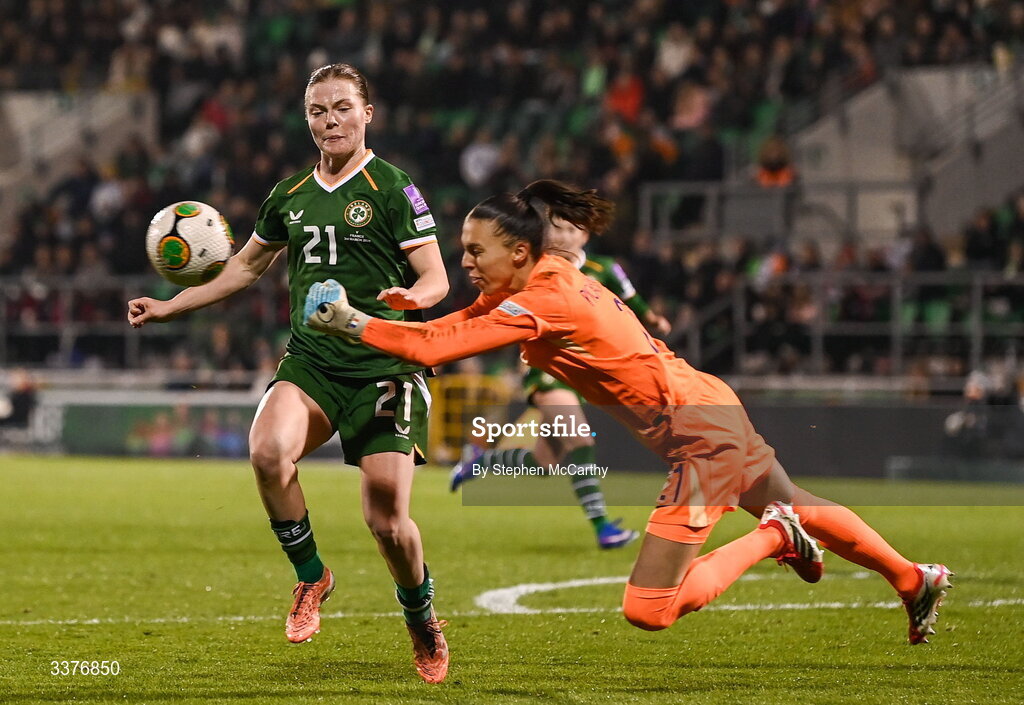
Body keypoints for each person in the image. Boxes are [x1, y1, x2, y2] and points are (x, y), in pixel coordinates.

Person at [304, 179, 952, 645]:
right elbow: (444, 328)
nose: (465, 262)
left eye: (477, 251)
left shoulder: (544, 297)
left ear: (520, 251)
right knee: (804, 501)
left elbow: (432, 346)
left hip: (698, 434)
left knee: (649, 608)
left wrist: (351, 321)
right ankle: (911, 576)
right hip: (707, 403)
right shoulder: (538, 283)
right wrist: (397, 312)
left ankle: (776, 536)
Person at [127, 63, 451, 683]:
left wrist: (410, 300)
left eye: (341, 108)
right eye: (318, 111)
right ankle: (312, 577)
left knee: (386, 520)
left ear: (367, 113)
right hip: (313, 362)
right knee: (267, 450)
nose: (330, 121)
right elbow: (245, 268)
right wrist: (171, 306)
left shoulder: (393, 188)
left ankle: (420, 616)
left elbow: (436, 277)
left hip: (384, 365)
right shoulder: (289, 196)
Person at [449, 207, 671, 550]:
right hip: (548, 370)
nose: (564, 236)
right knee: (580, 441)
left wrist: (655, 322)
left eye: (571, 229)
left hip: (584, 373)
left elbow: (633, 304)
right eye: (557, 229)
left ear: (585, 235)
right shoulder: (534, 270)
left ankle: (481, 461)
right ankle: (603, 527)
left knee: (544, 462)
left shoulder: (605, 270)